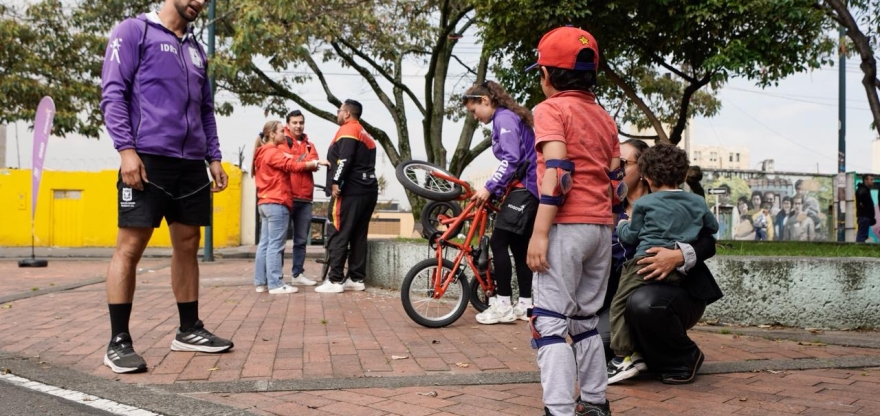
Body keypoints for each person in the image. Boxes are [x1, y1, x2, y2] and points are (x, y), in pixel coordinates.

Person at [100, 0, 233, 374]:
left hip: (191, 163)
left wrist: (214, 157)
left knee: (188, 242)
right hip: (147, 157)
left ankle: (189, 329)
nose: (200, 3)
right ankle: (118, 342)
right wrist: (126, 151)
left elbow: (205, 108)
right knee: (130, 246)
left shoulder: (196, 49)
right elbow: (113, 93)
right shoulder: (133, 31)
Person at [525, 26, 616, 416]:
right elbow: (616, 184)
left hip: (566, 225)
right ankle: (595, 402)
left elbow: (559, 170)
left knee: (548, 322)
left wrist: (539, 233)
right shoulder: (604, 117)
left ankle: (558, 409)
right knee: (585, 320)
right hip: (601, 227)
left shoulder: (550, 109)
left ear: (546, 74)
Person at [597, 140, 723, 387]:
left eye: (623, 162)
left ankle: (681, 357)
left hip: (675, 292)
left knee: (641, 304)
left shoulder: (646, 205)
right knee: (594, 348)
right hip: (616, 295)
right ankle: (641, 356)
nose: (615, 168)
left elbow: (709, 241)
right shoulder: (607, 208)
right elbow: (712, 224)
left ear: (645, 173)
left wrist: (678, 255)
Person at [461, 80, 539, 325]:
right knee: (518, 247)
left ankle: (503, 303)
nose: (474, 117)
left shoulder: (503, 118)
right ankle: (526, 304)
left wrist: (489, 187)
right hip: (528, 187)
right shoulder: (507, 117)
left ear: (485, 100)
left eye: (474, 111)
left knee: (498, 241)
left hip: (525, 188)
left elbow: (511, 160)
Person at [252, 121, 329, 295]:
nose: (283, 134)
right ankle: (275, 284)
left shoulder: (262, 153)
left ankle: (261, 282)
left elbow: (290, 162)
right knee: (275, 245)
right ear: (272, 134)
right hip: (277, 201)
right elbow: (292, 165)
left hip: (264, 202)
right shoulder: (272, 152)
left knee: (265, 243)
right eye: (281, 131)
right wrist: (312, 163)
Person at [315, 99, 379, 294]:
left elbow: (344, 159)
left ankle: (334, 280)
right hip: (368, 189)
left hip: (350, 190)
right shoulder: (364, 132)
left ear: (348, 113)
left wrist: (335, 181)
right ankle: (356, 278)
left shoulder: (348, 129)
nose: (337, 113)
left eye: (339, 110)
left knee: (339, 231)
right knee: (359, 234)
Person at [281, 110, 321, 285]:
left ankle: (297, 275)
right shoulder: (281, 141)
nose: (298, 126)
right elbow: (285, 163)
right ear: (288, 124)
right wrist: (304, 162)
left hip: (305, 199)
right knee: (279, 240)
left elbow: (315, 163)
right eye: (295, 122)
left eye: (301, 122)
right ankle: (276, 276)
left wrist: (298, 161)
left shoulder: (310, 145)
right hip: (286, 196)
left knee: (301, 240)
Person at [855, 174, 876, 243]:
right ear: (866, 180)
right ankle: (858, 249)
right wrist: (862, 203)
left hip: (866, 216)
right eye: (871, 180)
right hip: (864, 216)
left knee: (864, 235)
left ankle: (860, 248)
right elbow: (861, 196)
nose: (873, 181)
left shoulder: (866, 190)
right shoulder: (863, 190)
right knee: (862, 235)